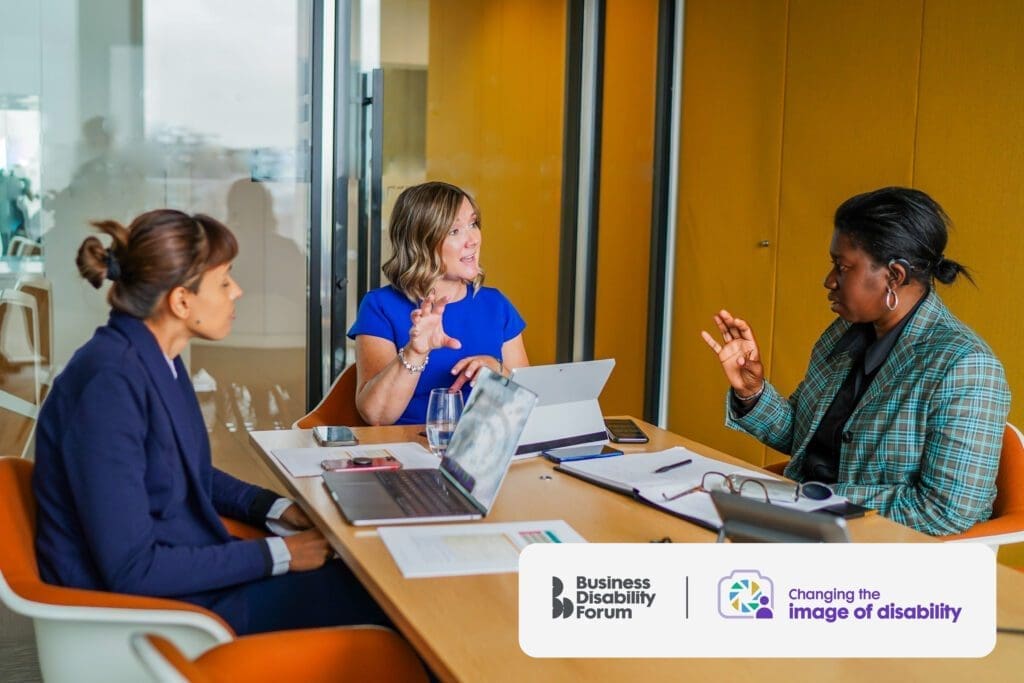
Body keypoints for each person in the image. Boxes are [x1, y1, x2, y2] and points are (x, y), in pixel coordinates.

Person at [33, 209, 387, 635]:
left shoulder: (155, 357)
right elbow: (132, 569)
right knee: (382, 599)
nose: (237, 291)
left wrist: (276, 509)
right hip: (155, 614)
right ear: (182, 301)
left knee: (367, 575)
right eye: (224, 281)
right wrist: (282, 555)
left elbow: (188, 473)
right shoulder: (108, 385)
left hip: (186, 574)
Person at [702, 187, 1010, 536]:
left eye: (842, 267)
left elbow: (946, 511)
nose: (829, 280)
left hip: (877, 550)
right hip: (803, 525)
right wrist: (752, 390)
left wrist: (809, 499)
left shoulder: (965, 366)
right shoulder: (844, 335)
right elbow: (803, 438)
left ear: (894, 276)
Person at [349, 181, 529, 425]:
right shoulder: (380, 307)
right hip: (407, 450)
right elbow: (377, 416)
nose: (473, 239)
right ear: (420, 243)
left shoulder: (496, 305)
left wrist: (498, 371)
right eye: (454, 231)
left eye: (473, 224)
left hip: (481, 449)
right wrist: (415, 352)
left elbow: (528, 403)